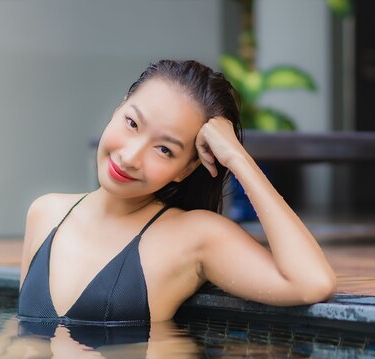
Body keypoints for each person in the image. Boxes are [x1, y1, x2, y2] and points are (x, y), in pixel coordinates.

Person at [18, 59, 337, 325]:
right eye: (132, 123)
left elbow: (312, 282)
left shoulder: (192, 237)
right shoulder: (46, 213)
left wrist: (238, 158)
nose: (130, 157)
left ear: (186, 169)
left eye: (164, 150)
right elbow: (21, 337)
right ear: (119, 108)